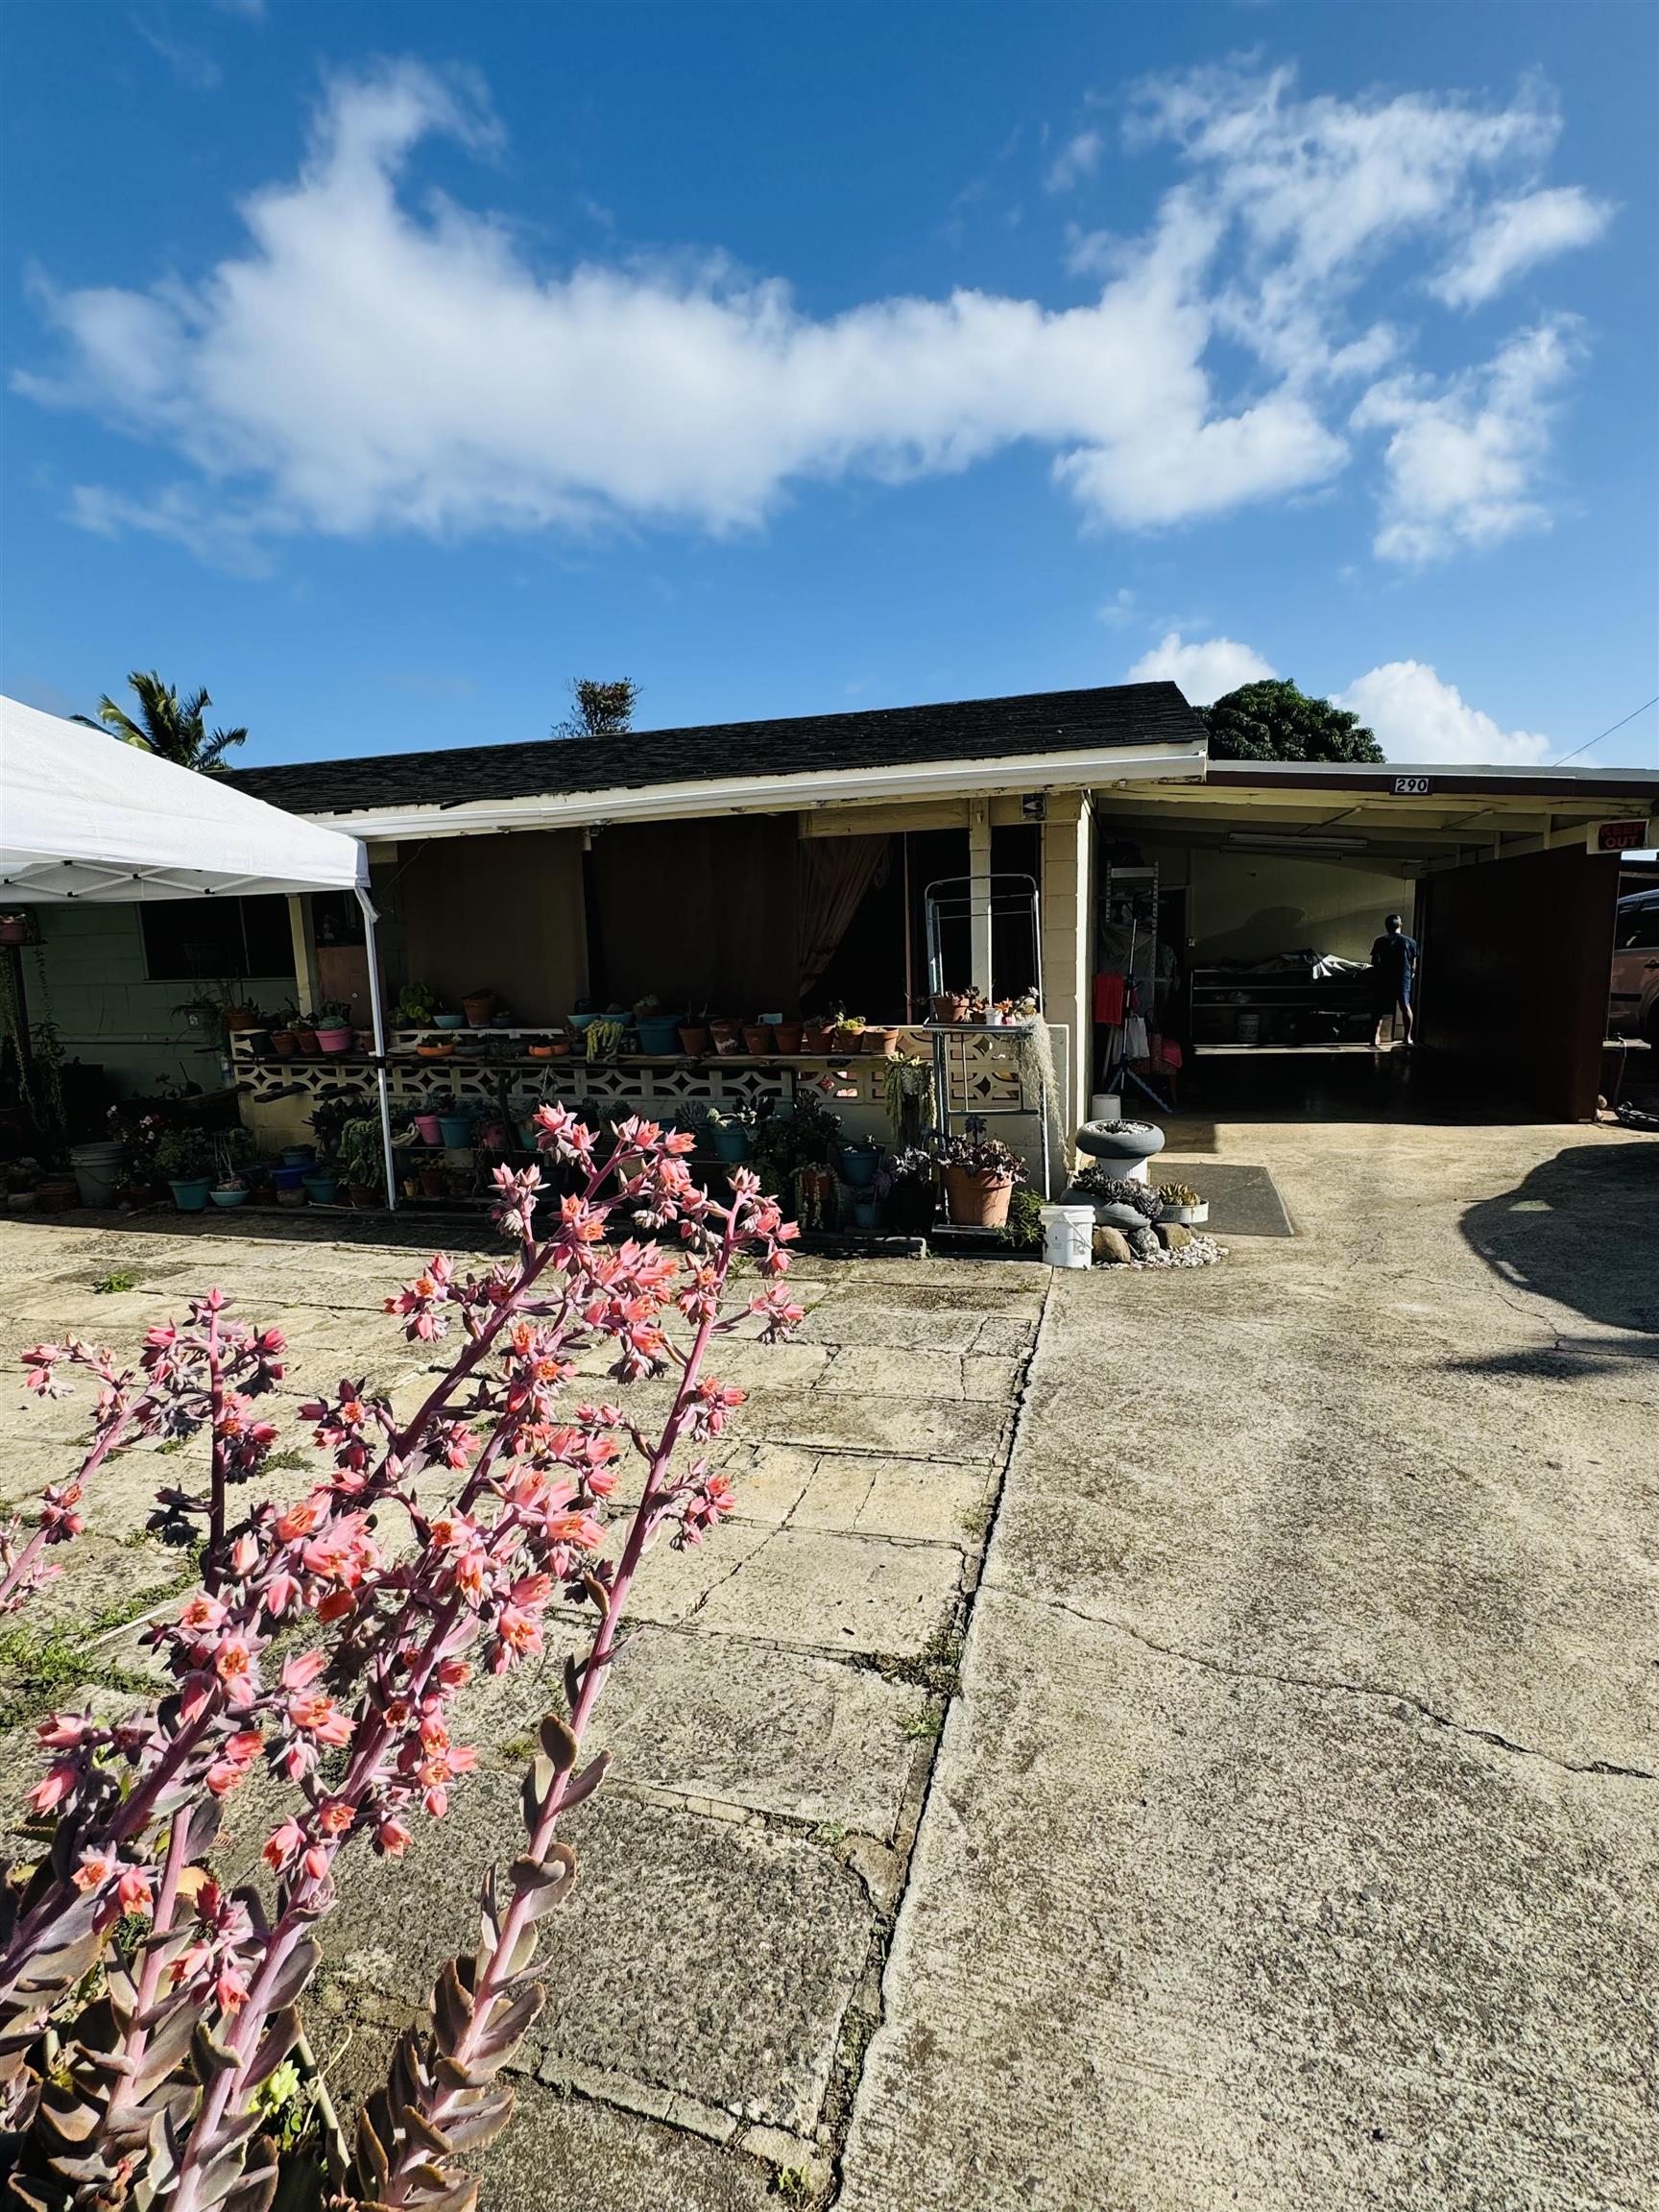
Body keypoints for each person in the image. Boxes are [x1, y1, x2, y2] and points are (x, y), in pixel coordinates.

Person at [1370, 912, 1419, 1047]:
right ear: (1400, 926)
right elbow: (1413, 963)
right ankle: (1407, 1037)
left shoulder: (1379, 941)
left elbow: (1375, 961)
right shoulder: (1410, 942)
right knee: (1405, 1006)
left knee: (1378, 1008)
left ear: (1386, 926)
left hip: (1384, 978)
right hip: (1403, 979)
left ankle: (1375, 1037)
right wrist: (1412, 973)